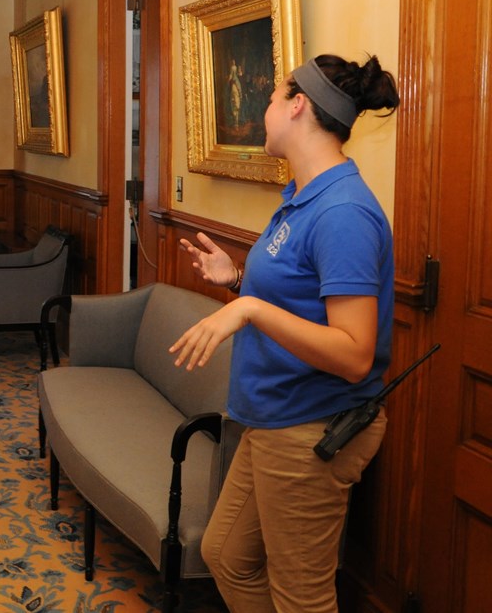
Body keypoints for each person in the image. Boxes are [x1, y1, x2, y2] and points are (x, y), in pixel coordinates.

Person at [170, 54, 400, 612]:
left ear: (298, 106)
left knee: (302, 597)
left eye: (273, 97)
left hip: (311, 427)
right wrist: (239, 281)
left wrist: (249, 309)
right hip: (274, 419)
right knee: (226, 554)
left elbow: (353, 354)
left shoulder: (343, 212)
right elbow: (305, 301)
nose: (265, 108)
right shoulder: (303, 197)